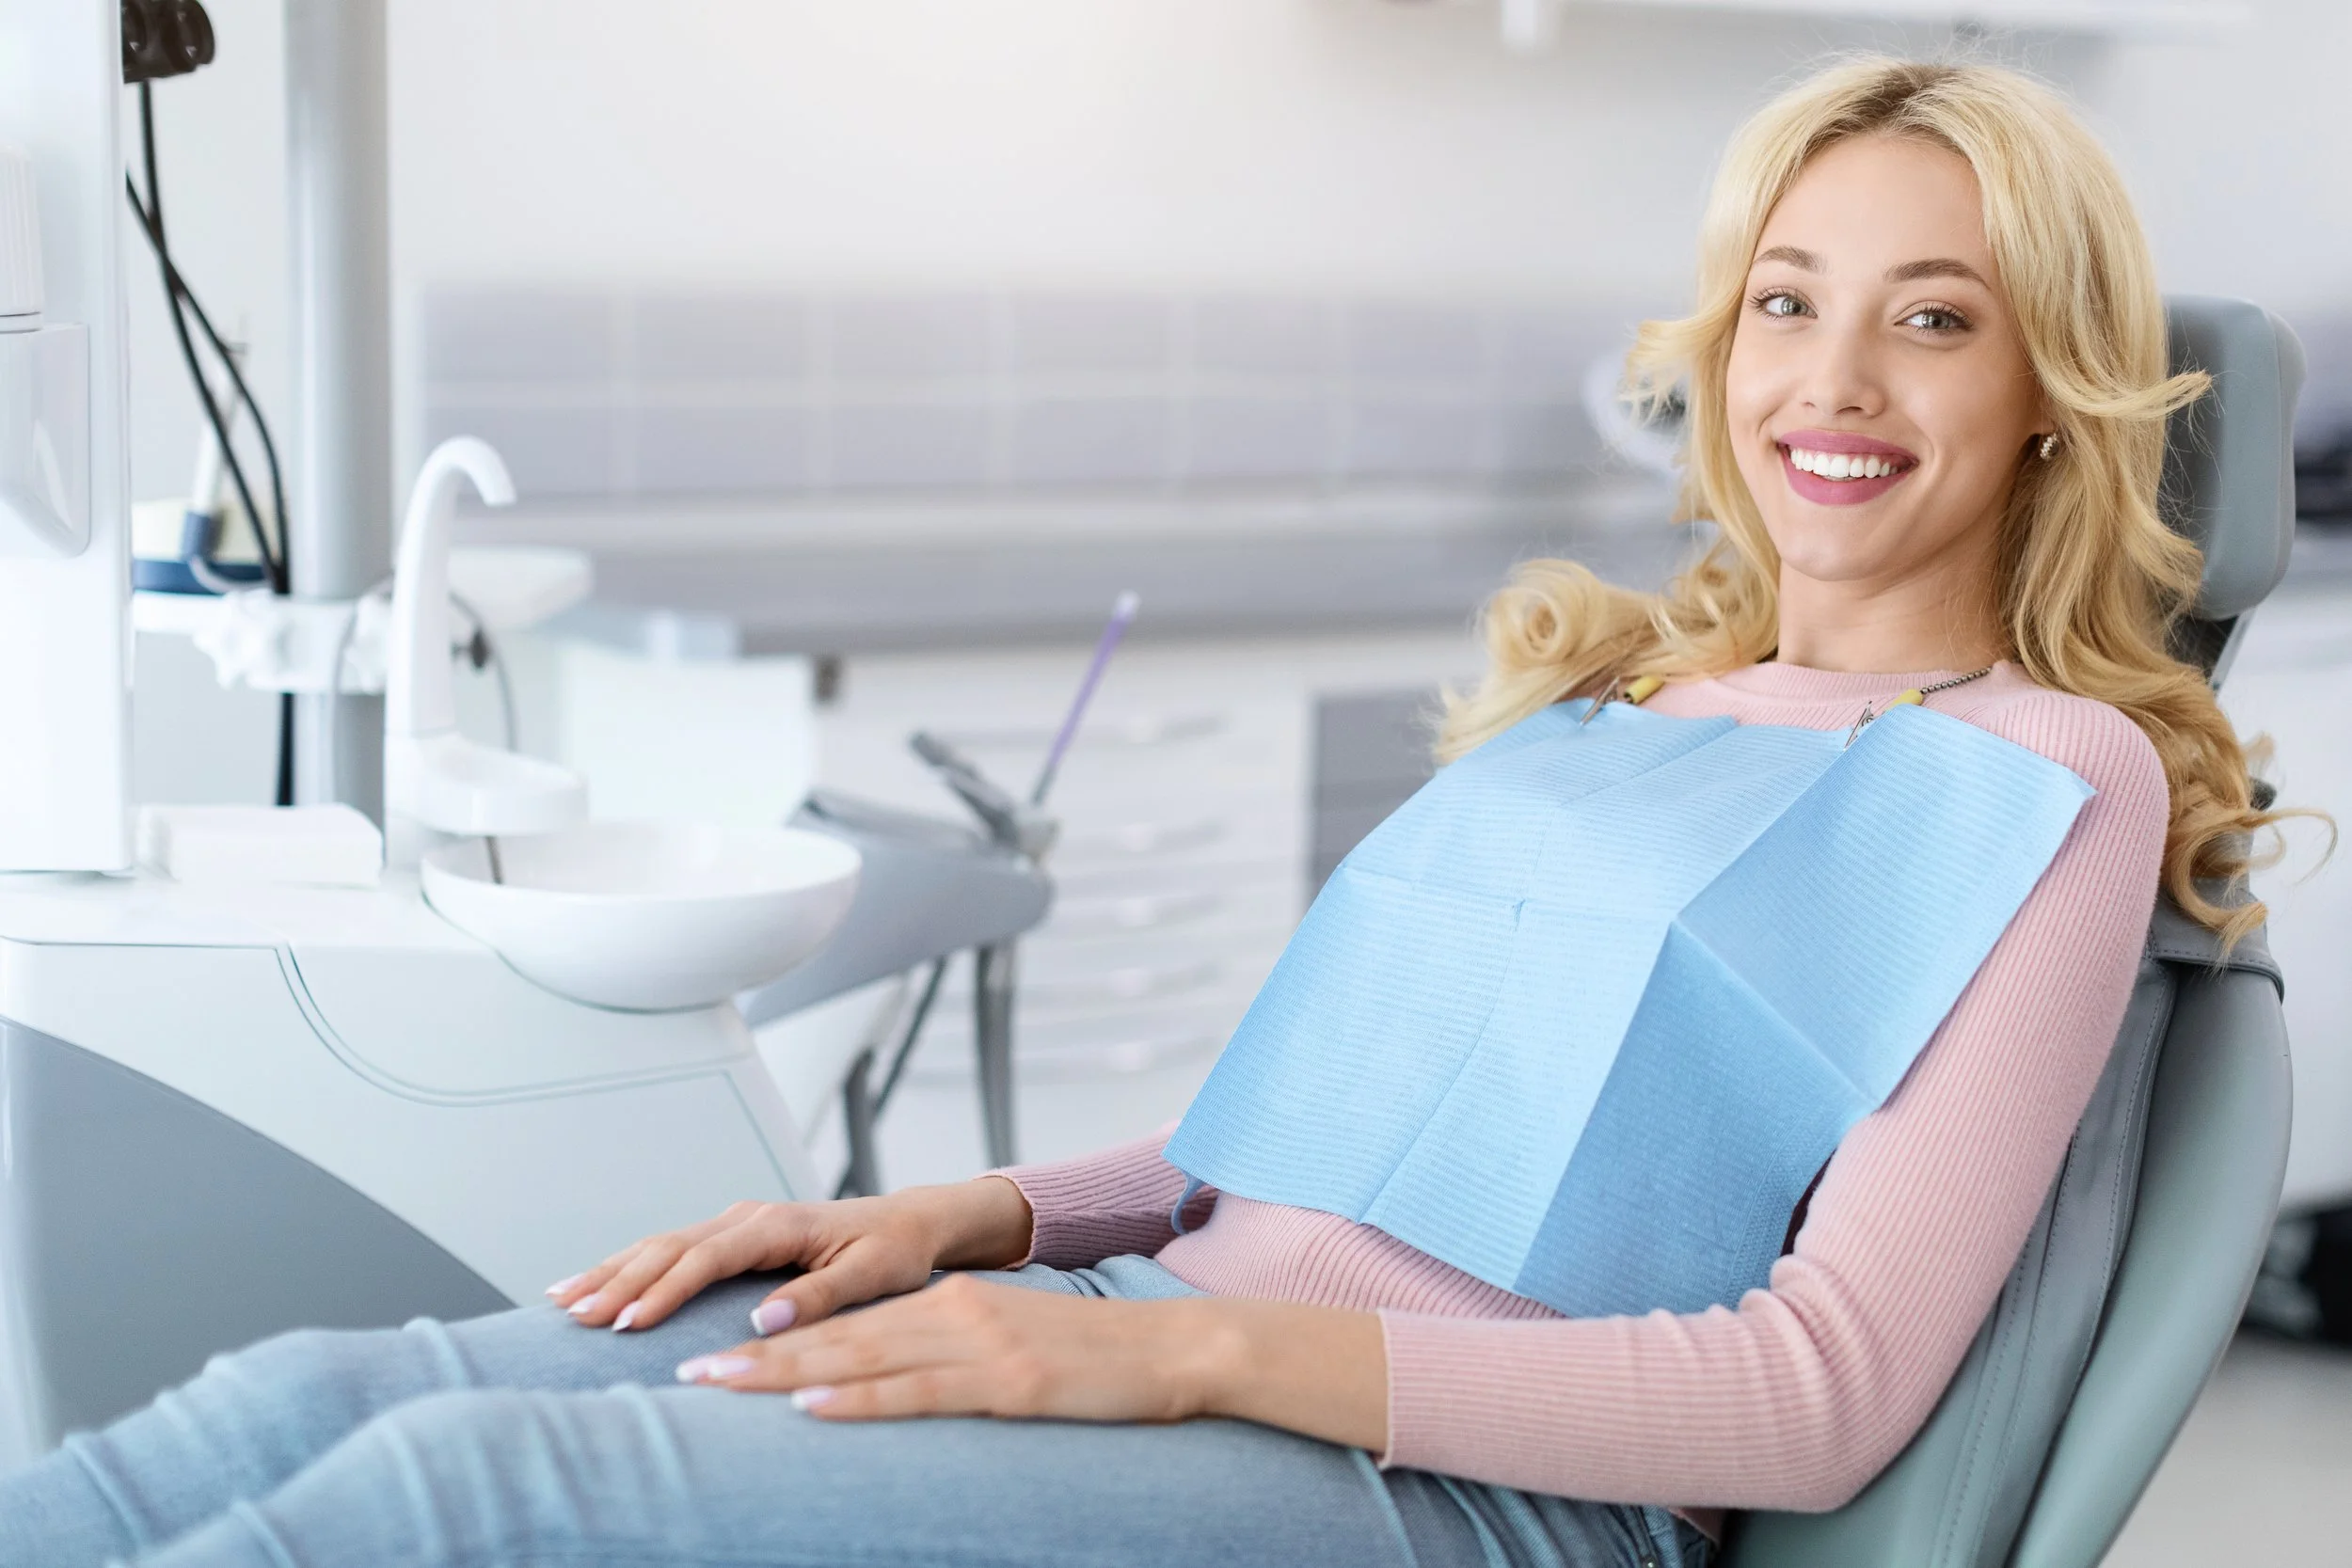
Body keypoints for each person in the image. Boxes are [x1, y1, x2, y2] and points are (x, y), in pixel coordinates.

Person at [0, 55, 2279, 1568]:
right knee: (323, 1392)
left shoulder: (2037, 778)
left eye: (1931, 320)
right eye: (1784, 301)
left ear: (2054, 396)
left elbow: (1811, 1392)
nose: (1829, 379)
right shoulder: (1633, 696)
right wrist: (976, 1214)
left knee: (478, 1492)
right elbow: (1301, 1153)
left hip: (1453, 1493)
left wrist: (1156, 1345)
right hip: (1163, 1307)